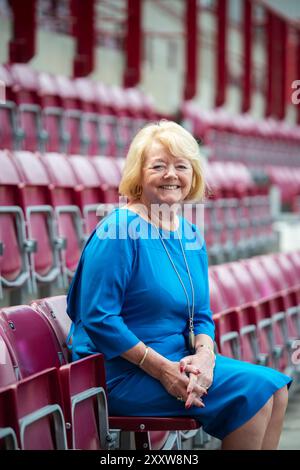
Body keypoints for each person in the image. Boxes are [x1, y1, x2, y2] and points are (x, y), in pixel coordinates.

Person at [66, 120, 292, 450]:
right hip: (121, 372)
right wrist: (161, 370)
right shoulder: (117, 231)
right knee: (252, 397)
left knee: (276, 389)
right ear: (139, 174)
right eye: (158, 166)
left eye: (181, 166)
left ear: (193, 175)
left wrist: (205, 356)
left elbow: (200, 314)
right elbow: (100, 319)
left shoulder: (190, 234)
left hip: (179, 360)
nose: (171, 175)